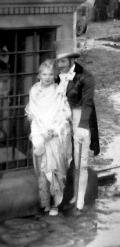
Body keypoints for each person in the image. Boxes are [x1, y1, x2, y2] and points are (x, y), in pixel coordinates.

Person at [25, 59, 72, 216]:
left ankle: (56, 204)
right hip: (39, 135)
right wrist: (40, 136)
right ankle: (45, 202)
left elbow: (63, 115)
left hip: (54, 136)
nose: (47, 77)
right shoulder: (34, 91)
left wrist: (50, 133)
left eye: (51, 74)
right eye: (44, 74)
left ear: (55, 75)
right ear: (39, 75)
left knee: (55, 171)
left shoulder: (58, 92)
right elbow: (33, 115)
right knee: (42, 172)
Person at [57, 39, 100, 213]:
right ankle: (64, 196)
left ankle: (79, 200)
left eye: (62, 61)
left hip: (79, 117)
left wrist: (82, 126)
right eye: (57, 61)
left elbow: (88, 103)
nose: (59, 65)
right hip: (60, 119)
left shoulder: (85, 76)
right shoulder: (55, 75)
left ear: (72, 60)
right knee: (63, 160)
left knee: (80, 162)